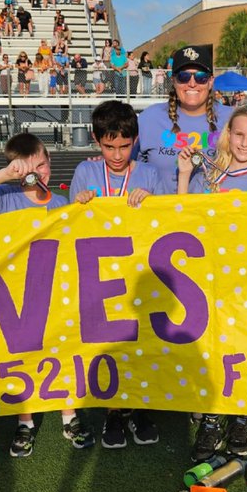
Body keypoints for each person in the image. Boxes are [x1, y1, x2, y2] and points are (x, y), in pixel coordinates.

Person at [0, 132, 87, 455]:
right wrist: (6, 173)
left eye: (42, 165)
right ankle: (25, 421)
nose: (38, 174)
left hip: (58, 290)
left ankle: (69, 414)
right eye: (28, 168)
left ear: (50, 162)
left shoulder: (61, 204)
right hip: (17, 293)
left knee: (64, 351)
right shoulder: (5, 196)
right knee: (22, 357)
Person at [178, 102, 247, 463]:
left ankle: (242, 415)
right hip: (210, 280)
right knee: (215, 350)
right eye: (238, 134)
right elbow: (181, 218)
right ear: (228, 134)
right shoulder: (209, 174)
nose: (244, 142)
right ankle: (212, 417)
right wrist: (182, 175)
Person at [70, 101, 163, 447]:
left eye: (124, 145)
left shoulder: (149, 175)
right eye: (109, 146)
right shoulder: (85, 172)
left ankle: (138, 407)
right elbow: (70, 225)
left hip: (139, 273)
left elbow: (166, 222)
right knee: (107, 344)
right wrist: (79, 203)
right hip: (100, 275)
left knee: (140, 343)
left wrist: (152, 201)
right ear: (96, 141)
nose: (117, 153)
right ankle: (113, 411)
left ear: (135, 140)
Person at [135, 45, 232, 191]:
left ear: (211, 81)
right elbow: (124, 166)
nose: (192, 84)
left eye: (201, 77)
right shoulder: (149, 118)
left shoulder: (233, 119)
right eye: (183, 77)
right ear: (173, 81)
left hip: (217, 212)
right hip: (163, 212)